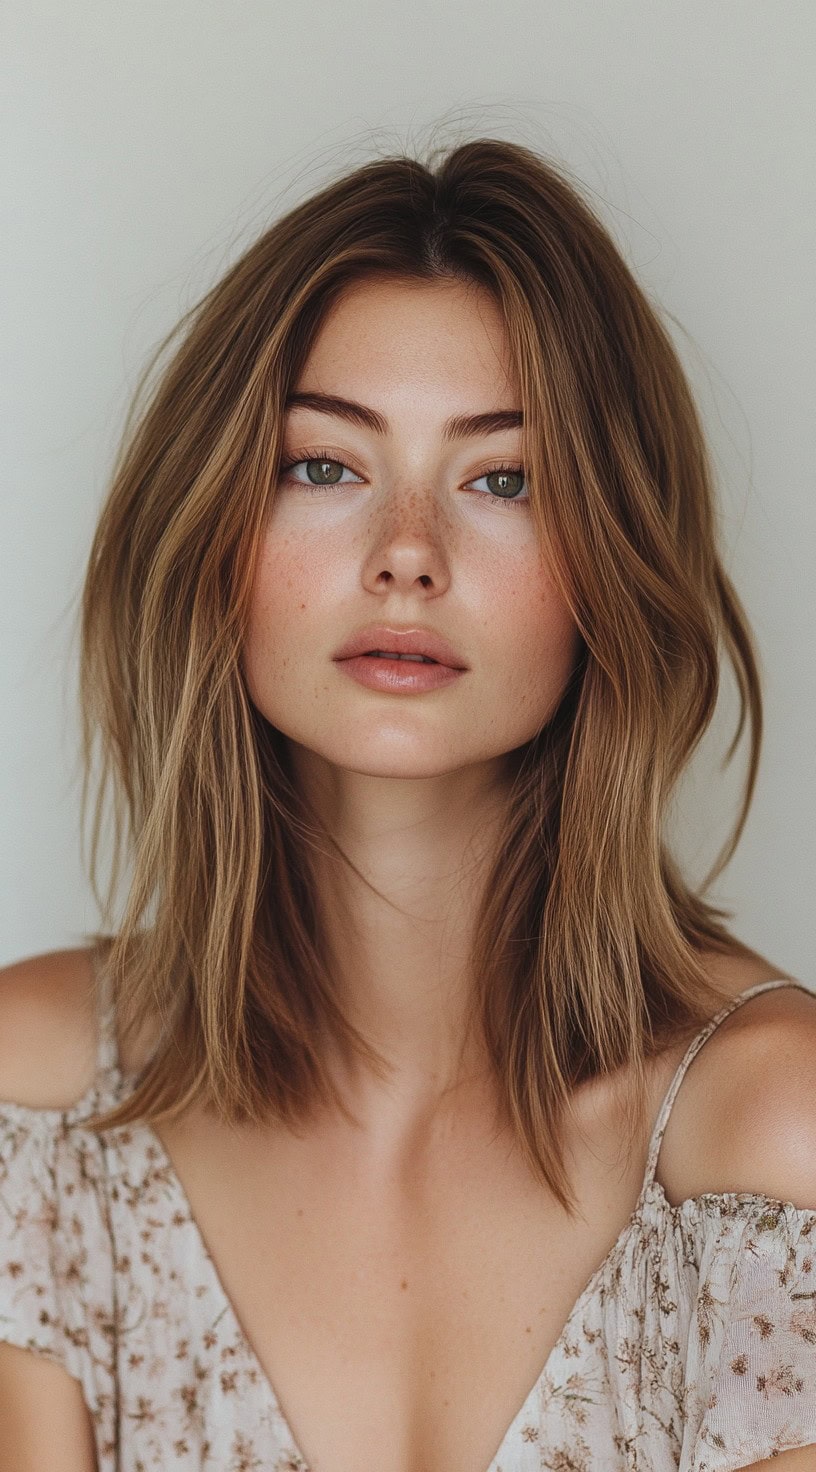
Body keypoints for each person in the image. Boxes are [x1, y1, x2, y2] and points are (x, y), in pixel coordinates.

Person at [0, 135, 814, 1472]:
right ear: (212, 530)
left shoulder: (771, 1140)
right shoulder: (43, 1112)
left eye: (505, 480)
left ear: (614, 558)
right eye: (324, 466)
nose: (407, 557)